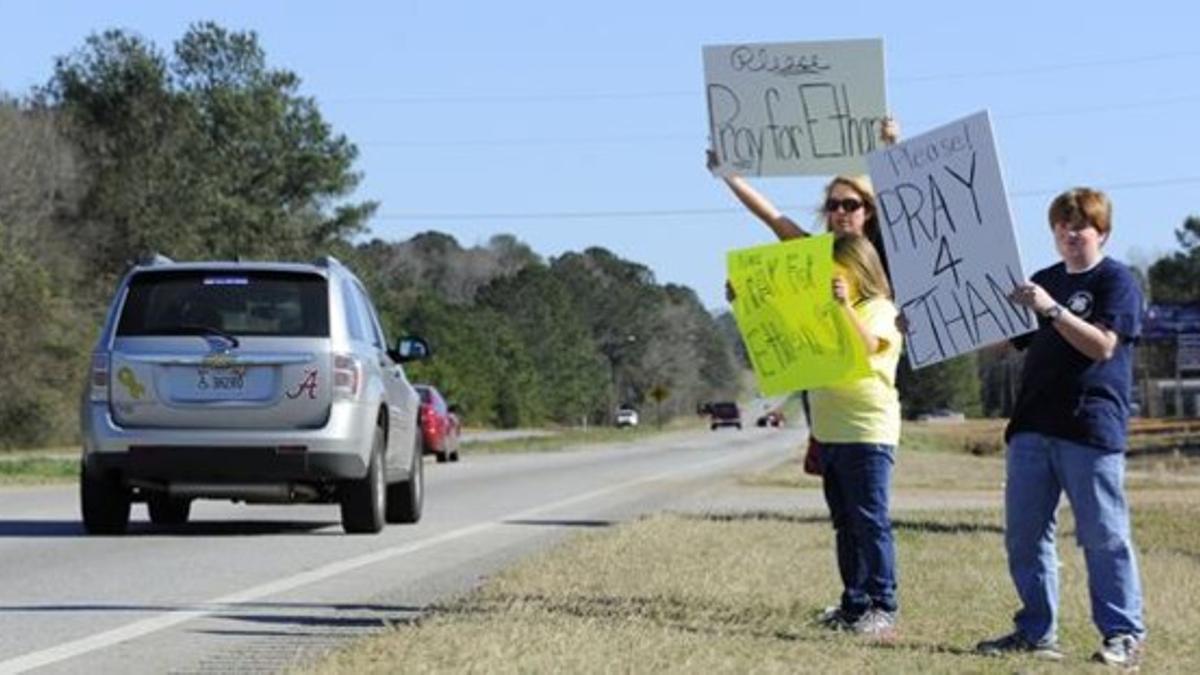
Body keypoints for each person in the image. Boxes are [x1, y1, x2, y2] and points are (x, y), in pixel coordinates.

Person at [976, 187, 1146, 668]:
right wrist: (926, 327)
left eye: (1081, 226)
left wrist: (1053, 309)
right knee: (1025, 536)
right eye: (1062, 226)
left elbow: (1102, 347)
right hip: (1032, 425)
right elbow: (1002, 344)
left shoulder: (1117, 281)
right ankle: (1035, 630)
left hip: (1089, 426)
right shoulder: (1044, 279)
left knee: (1103, 536)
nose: (1071, 234)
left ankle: (1123, 634)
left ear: (1102, 232)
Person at [809, 234, 904, 637]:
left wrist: (844, 306)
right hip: (830, 429)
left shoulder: (880, 309)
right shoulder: (823, 310)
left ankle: (884, 604)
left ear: (857, 269)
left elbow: (867, 347)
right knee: (845, 523)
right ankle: (855, 603)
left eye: (837, 268)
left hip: (867, 430)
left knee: (870, 521)